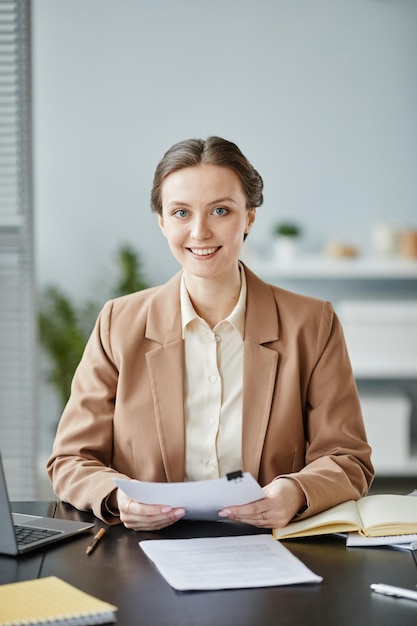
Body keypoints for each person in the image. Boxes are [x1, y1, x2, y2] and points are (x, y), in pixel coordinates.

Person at [47, 136, 374, 531]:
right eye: (181, 213)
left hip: (271, 544)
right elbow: (70, 460)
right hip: (142, 553)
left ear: (249, 217)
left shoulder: (312, 323)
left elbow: (347, 457)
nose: (200, 231)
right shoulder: (119, 323)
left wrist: (296, 492)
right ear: (162, 222)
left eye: (220, 210)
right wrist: (118, 498)